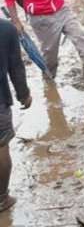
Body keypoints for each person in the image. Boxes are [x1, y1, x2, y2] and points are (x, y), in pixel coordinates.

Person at [0, 19, 31, 212]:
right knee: (1, 147)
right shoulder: (6, 29)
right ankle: (2, 198)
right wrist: (24, 95)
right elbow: (16, 68)